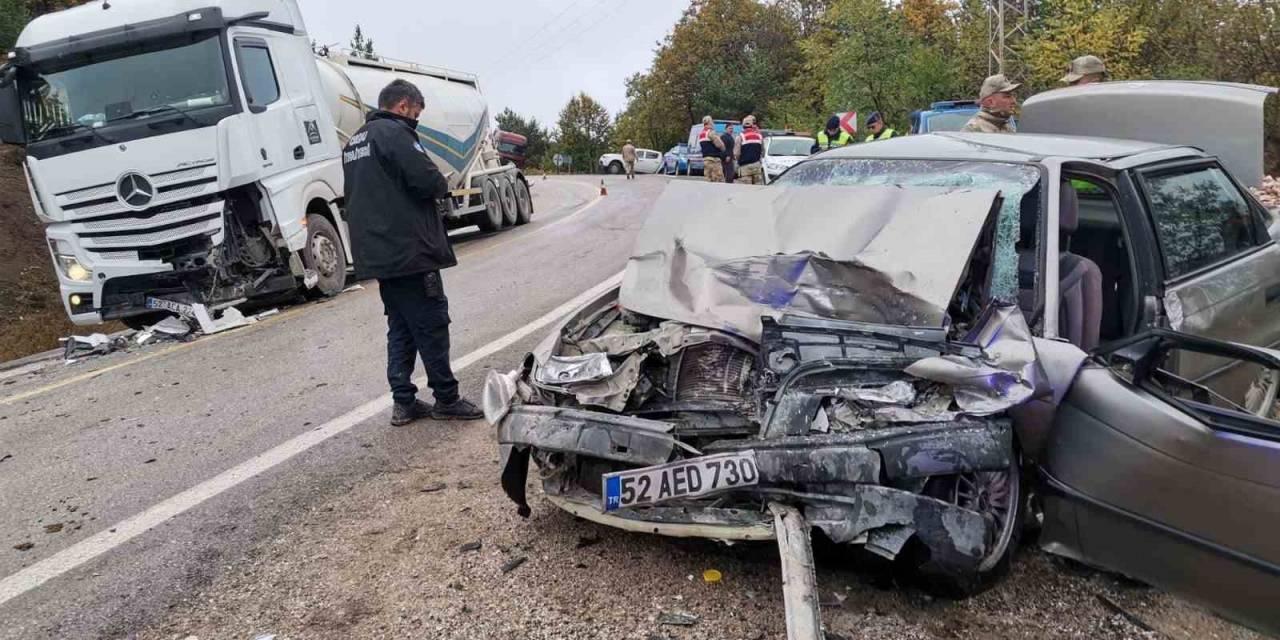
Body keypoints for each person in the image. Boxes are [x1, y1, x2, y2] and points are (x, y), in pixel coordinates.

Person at [341, 79, 483, 426]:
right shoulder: (395, 134)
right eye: (416, 113)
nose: (416, 119)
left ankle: (403, 402)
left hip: (380, 254)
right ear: (403, 106)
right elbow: (427, 181)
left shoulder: (354, 142)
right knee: (432, 323)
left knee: (401, 326)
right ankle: (446, 398)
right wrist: (442, 183)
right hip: (410, 249)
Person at [735, 115, 765, 185]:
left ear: (743, 125)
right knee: (758, 188)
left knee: (746, 190)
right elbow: (763, 151)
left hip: (745, 167)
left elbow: (737, 153)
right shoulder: (759, 136)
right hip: (757, 166)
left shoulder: (740, 137)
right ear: (752, 125)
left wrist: (739, 161)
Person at [697, 115, 726, 182]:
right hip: (714, 160)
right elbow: (719, 144)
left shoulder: (701, 134)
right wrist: (723, 149)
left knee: (708, 180)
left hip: (706, 160)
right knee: (719, 181)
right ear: (710, 122)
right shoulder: (711, 132)